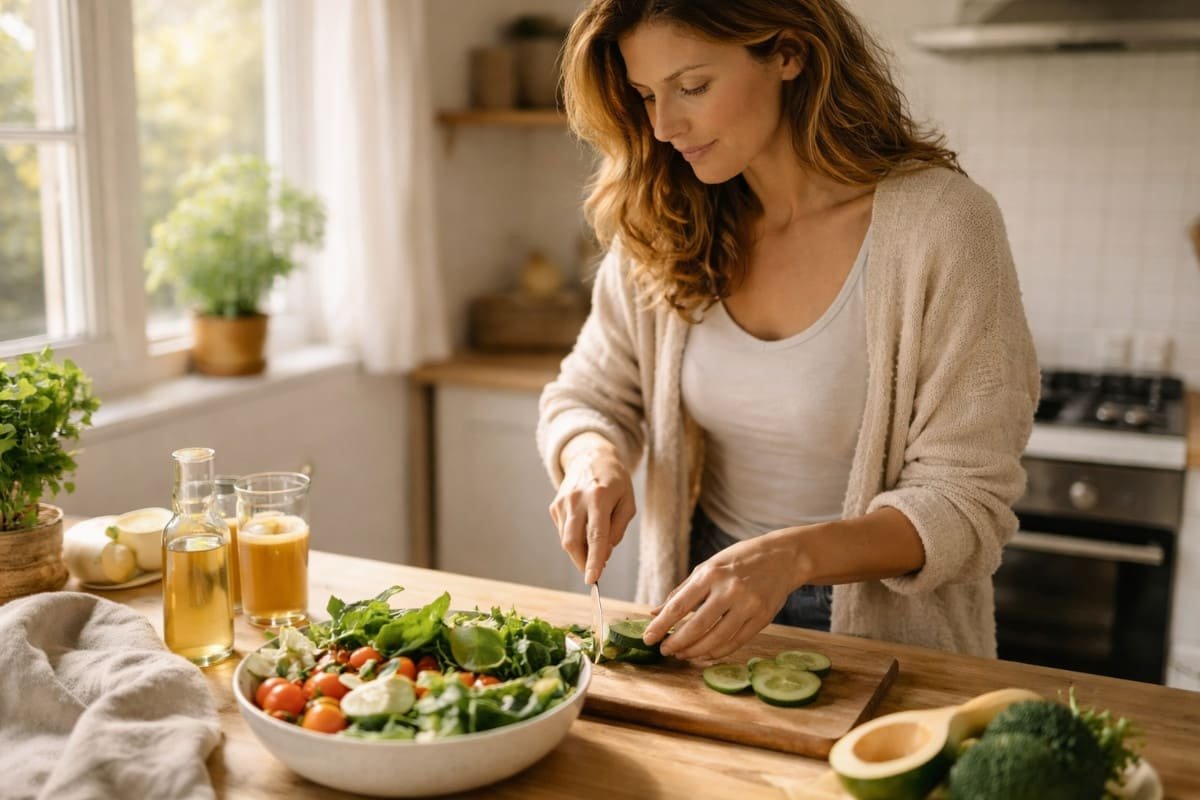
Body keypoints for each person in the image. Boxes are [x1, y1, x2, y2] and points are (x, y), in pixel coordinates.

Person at [536, 0, 1039, 663]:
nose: (663, 126)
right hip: (696, 595)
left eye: (692, 87)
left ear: (789, 54)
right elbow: (591, 395)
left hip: (880, 628)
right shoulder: (665, 217)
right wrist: (591, 460)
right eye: (645, 95)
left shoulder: (943, 224)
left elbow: (965, 502)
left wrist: (791, 558)